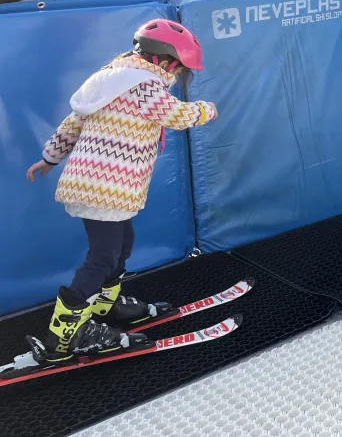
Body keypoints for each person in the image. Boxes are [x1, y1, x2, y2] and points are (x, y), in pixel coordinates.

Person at [25, 20, 217, 365]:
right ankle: (63, 336)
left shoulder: (112, 78)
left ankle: (104, 305)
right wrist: (207, 109)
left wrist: (49, 158)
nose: (177, 76)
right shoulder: (143, 86)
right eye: (178, 68)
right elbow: (175, 115)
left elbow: (74, 122)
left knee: (121, 246)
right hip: (105, 188)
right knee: (102, 257)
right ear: (163, 61)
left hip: (97, 186)